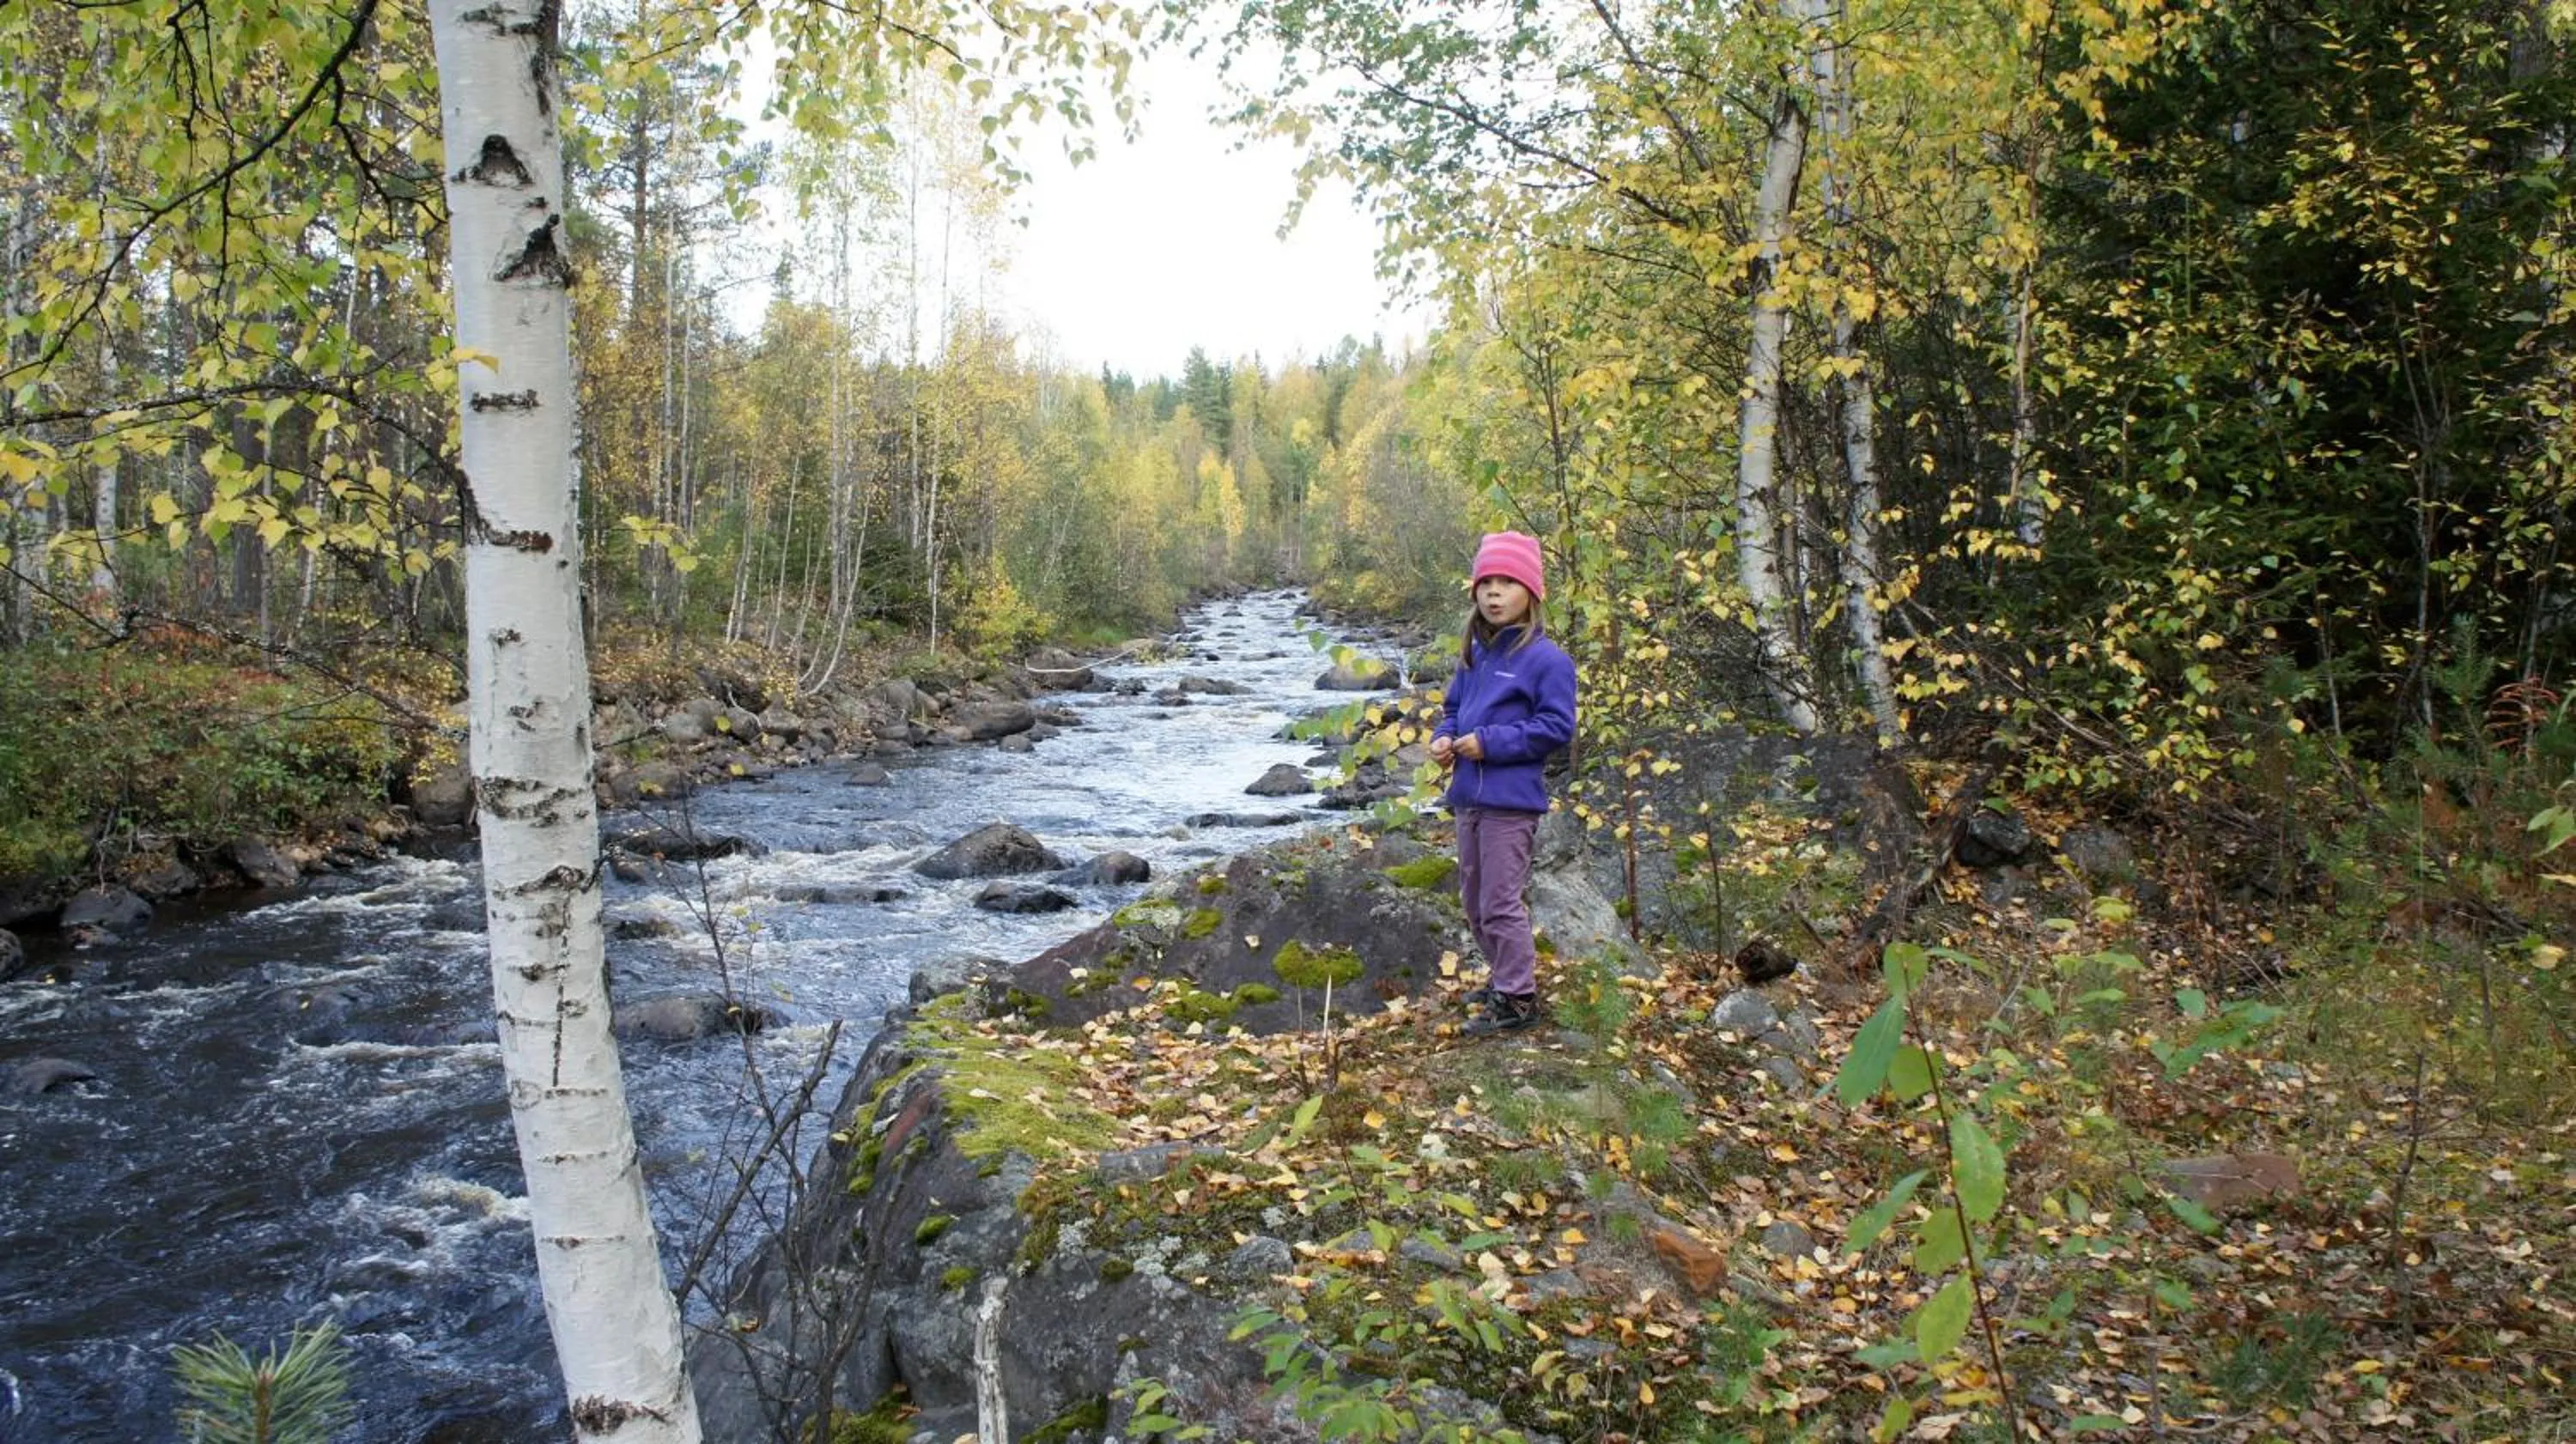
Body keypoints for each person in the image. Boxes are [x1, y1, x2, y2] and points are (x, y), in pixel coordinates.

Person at [1429, 531, 1578, 1036]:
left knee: (1499, 902)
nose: (1494, 593)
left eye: (1507, 583)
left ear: (1530, 594)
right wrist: (1444, 739)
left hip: (1511, 803)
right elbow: (1453, 709)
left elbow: (1557, 728)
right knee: (1473, 902)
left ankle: (1518, 998)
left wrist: (1488, 743)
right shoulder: (1475, 653)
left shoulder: (1547, 660)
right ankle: (1502, 979)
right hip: (1469, 797)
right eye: (1486, 583)